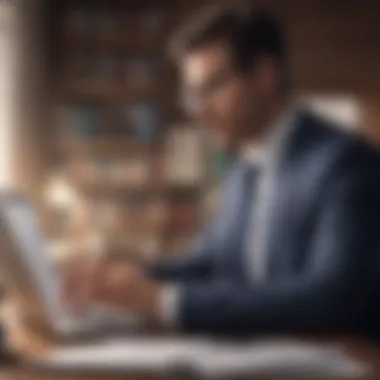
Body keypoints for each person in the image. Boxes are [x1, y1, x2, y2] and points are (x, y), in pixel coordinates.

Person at [62, 4, 380, 335]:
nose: (198, 111)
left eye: (213, 87)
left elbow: (328, 300)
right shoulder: (243, 172)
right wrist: (130, 279)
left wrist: (164, 301)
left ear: (265, 76)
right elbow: (210, 264)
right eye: (193, 94)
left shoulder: (346, 166)